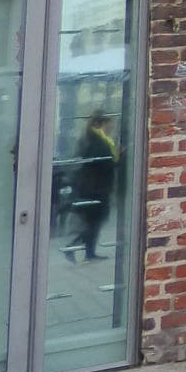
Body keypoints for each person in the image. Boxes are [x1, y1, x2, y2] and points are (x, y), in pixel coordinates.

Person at [65, 112, 118, 262]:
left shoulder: (90, 138)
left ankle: (87, 252)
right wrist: (118, 160)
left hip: (91, 186)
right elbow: (102, 163)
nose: (112, 127)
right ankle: (77, 248)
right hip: (97, 188)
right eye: (110, 124)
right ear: (101, 124)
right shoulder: (99, 141)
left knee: (93, 222)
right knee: (94, 221)